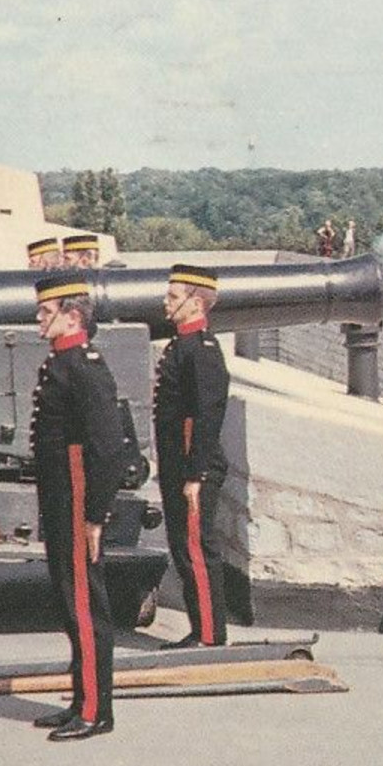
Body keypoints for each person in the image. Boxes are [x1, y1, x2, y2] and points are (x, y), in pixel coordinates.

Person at [28, 270, 123, 741]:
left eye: (46, 313)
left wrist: (94, 516)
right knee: (72, 602)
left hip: (79, 498)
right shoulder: (61, 363)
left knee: (86, 606)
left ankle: (95, 711)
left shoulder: (83, 367)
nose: (38, 320)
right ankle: (80, 699)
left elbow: (108, 448)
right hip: (63, 496)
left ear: (71, 315)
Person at [153, 265, 231, 649]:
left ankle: (209, 636)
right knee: (184, 547)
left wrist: (195, 474)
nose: (165, 303)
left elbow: (207, 414)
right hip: (179, 466)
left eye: (172, 296)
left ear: (195, 301)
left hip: (192, 468)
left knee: (197, 549)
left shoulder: (200, 350)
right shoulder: (181, 345)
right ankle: (201, 628)